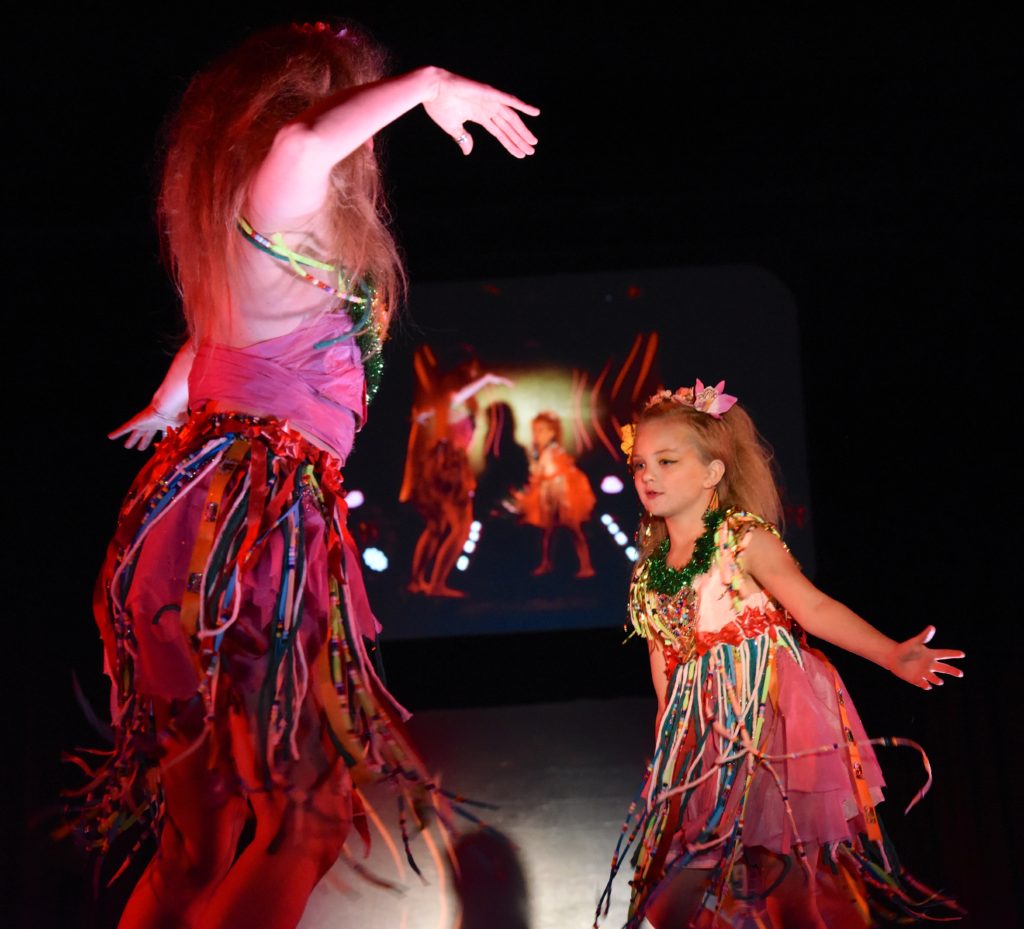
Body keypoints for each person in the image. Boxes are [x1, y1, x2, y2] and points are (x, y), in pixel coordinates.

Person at [71, 21, 539, 929]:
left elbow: (221, 336)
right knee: (310, 818)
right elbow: (301, 143)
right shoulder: (284, 186)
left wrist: (176, 397)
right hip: (247, 526)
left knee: (197, 843)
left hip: (200, 521)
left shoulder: (251, 224)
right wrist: (430, 81)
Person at [595, 381, 964, 929]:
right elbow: (668, 690)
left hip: (771, 728)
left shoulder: (741, 541)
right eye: (640, 463)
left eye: (667, 461)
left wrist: (892, 655)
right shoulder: (650, 575)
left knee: (785, 883)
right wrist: (669, 777)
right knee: (670, 898)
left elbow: (813, 608)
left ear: (713, 472)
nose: (647, 475)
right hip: (708, 751)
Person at [401, 345, 512, 596]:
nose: (475, 372)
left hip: (440, 466)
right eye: (473, 368)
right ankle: (436, 584)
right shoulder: (452, 393)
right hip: (449, 469)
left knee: (436, 527)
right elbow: (455, 399)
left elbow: (429, 415)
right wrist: (487, 379)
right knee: (461, 526)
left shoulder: (441, 396)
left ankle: (417, 581)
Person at [514, 411, 595, 577]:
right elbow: (537, 473)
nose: (538, 435)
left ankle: (586, 565)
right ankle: (546, 563)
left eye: (542, 430)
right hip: (547, 494)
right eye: (535, 430)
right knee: (547, 531)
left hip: (561, 493)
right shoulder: (538, 452)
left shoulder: (556, 450)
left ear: (552, 432)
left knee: (573, 528)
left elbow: (561, 471)